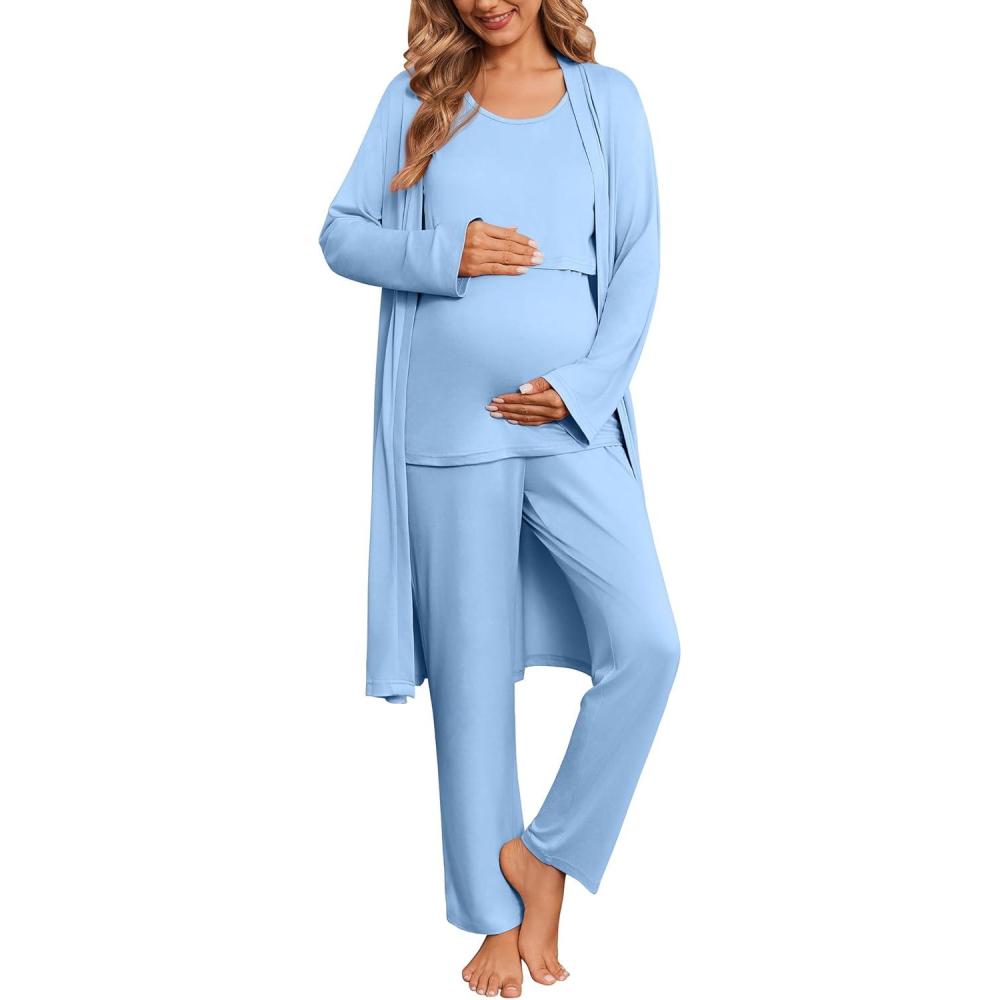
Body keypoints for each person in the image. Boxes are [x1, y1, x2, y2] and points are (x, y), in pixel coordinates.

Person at [319, 2, 680, 996]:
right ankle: (490, 916)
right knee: (471, 674)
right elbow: (341, 234)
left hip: (568, 419)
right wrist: (446, 251)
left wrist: (582, 389)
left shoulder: (608, 101)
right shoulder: (418, 98)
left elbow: (638, 260)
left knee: (648, 643)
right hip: (448, 424)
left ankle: (546, 856)